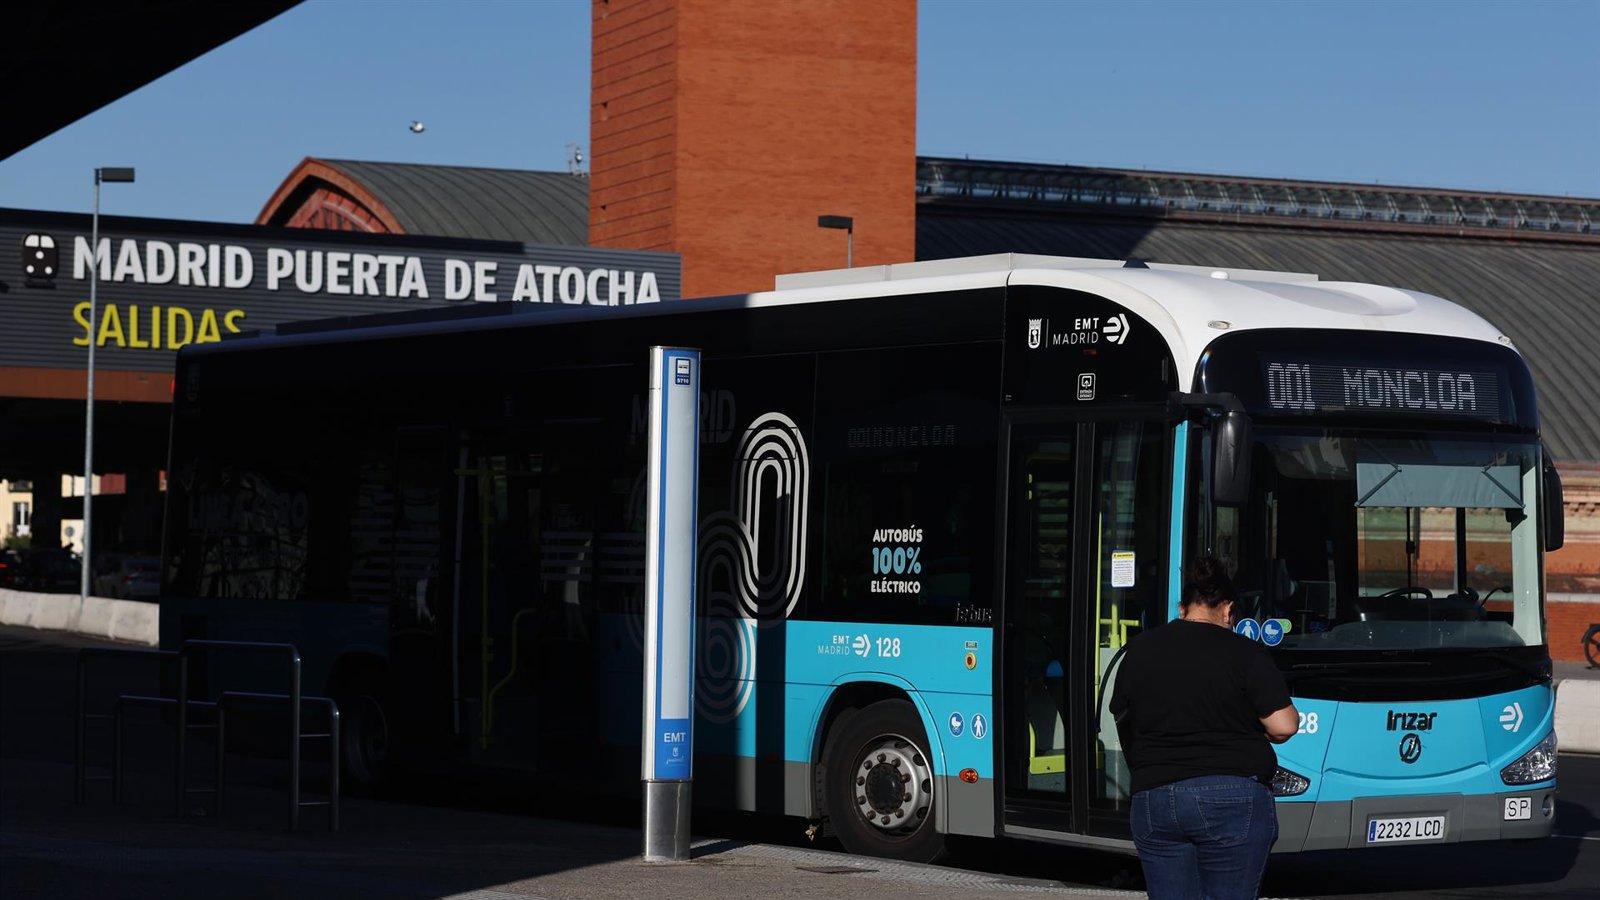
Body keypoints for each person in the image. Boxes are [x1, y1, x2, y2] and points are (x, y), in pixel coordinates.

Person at [1110, 557, 1298, 900]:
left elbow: (1123, 717)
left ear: (1183, 608)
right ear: (1227, 610)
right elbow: (1284, 725)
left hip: (1154, 797)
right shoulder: (1245, 652)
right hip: (1231, 798)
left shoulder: (1138, 650)